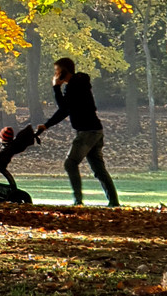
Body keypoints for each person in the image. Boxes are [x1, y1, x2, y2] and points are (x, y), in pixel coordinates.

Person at [35, 56, 120, 207]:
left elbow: (63, 108)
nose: (55, 74)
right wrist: (47, 125)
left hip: (87, 131)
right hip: (94, 130)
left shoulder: (74, 85)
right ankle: (113, 201)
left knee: (70, 163)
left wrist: (56, 87)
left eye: (57, 71)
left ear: (64, 71)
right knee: (99, 168)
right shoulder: (78, 84)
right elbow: (65, 110)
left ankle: (78, 200)